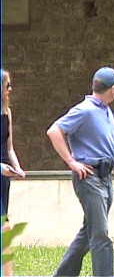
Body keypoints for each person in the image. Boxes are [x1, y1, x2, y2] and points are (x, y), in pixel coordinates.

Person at [47, 67, 114, 277]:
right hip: (89, 178)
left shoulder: (107, 111)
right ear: (111, 89)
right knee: (100, 235)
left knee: (89, 232)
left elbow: (110, 145)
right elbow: (54, 131)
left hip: (106, 178)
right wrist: (71, 162)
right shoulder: (84, 110)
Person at [1, 69, 26, 276]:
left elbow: (9, 148)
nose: (10, 89)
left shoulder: (7, 113)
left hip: (4, 177)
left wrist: (17, 168)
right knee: (4, 228)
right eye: (7, 85)